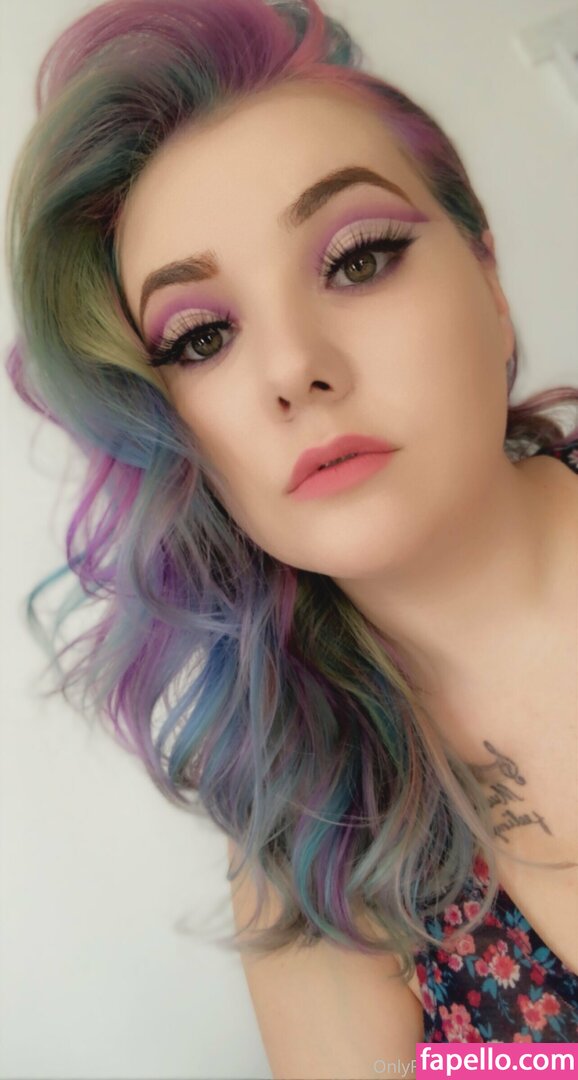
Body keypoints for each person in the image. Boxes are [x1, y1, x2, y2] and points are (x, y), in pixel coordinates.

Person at [5, 0, 578, 1068]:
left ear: (488, 280)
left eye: (356, 260)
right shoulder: (307, 835)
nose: (290, 369)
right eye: (201, 337)